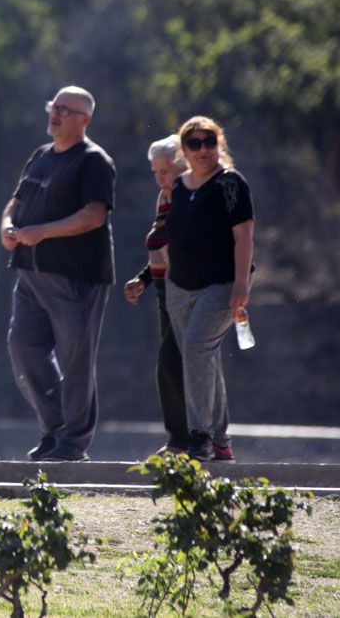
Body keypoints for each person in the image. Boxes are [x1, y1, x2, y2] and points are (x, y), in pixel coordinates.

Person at [0, 86, 116, 462]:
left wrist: (42, 231)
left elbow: (93, 216)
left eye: (67, 110)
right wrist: (7, 225)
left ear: (86, 120)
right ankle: (55, 429)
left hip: (75, 277)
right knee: (23, 348)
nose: (57, 114)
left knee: (75, 360)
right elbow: (15, 202)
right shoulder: (40, 155)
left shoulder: (94, 161)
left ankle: (72, 444)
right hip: (30, 274)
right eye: (54, 106)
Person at [164, 116, 254, 462]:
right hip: (180, 286)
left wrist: (242, 284)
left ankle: (199, 435)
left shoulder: (230, 183)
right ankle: (220, 439)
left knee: (196, 350)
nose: (203, 149)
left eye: (209, 142)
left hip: (222, 284)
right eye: (194, 143)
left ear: (220, 144)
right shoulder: (178, 185)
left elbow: (244, 234)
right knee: (203, 356)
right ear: (183, 150)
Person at [123, 136, 189, 455]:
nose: (161, 178)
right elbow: (161, 249)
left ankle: (189, 439)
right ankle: (183, 438)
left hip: (188, 292)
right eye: (156, 172)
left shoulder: (190, 198)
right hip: (165, 293)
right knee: (173, 363)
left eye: (167, 171)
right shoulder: (164, 199)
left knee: (171, 361)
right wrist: (144, 278)